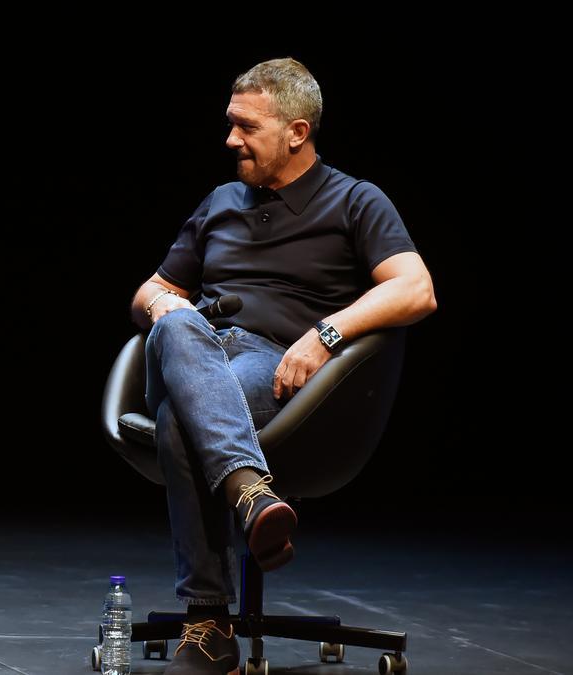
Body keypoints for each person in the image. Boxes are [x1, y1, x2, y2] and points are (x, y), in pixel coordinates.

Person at [130, 58, 436, 674]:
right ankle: (247, 491)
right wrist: (164, 305)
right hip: (196, 348)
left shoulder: (355, 200)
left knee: (175, 423)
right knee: (179, 320)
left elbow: (416, 290)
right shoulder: (219, 201)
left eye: (246, 127)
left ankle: (208, 626)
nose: (230, 140)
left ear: (297, 132)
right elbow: (150, 291)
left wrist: (325, 334)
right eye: (229, 124)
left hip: (276, 369)